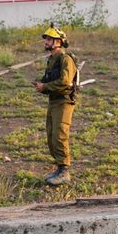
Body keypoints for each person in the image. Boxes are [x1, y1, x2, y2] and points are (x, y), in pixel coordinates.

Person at [33, 24, 77, 186]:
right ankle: (59, 168)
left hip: (64, 101)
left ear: (59, 42)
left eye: (50, 39)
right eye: (46, 39)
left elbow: (65, 81)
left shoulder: (65, 59)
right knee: (51, 135)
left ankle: (64, 171)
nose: (46, 41)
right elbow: (52, 80)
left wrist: (45, 87)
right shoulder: (52, 60)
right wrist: (42, 86)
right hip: (54, 100)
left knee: (59, 134)